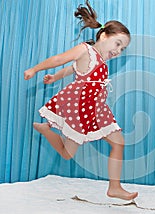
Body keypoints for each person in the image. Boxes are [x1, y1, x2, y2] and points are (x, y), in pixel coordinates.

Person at [24, 1, 138, 201]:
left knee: (118, 143)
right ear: (103, 35)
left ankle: (114, 187)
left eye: (123, 49)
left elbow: (72, 70)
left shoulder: (100, 61)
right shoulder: (85, 50)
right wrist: (36, 69)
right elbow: (61, 60)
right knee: (68, 154)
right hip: (80, 107)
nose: (119, 51)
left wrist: (56, 77)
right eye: (118, 44)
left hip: (97, 108)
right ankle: (46, 129)